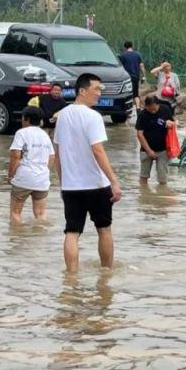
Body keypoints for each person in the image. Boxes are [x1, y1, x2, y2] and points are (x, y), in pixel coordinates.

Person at [54, 73, 122, 273]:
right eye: (96, 89)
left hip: (71, 186)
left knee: (72, 232)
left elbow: (58, 153)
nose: (99, 93)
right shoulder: (93, 116)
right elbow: (98, 150)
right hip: (96, 185)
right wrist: (114, 181)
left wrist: (62, 182)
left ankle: (71, 277)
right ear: (82, 91)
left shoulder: (62, 116)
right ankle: (107, 273)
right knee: (104, 229)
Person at [8, 106, 55, 223]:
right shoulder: (45, 135)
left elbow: (15, 155)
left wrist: (10, 175)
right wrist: (45, 171)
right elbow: (52, 156)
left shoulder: (21, 133)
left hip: (24, 177)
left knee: (15, 212)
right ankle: (38, 240)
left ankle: (16, 239)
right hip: (42, 179)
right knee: (40, 214)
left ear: (26, 119)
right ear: (40, 120)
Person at [135, 95, 175, 185]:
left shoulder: (165, 109)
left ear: (158, 105)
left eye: (154, 109)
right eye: (150, 109)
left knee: (163, 178)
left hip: (163, 150)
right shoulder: (142, 114)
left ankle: (162, 196)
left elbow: (174, 123)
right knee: (143, 176)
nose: (153, 112)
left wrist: (171, 123)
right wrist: (149, 151)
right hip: (146, 150)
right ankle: (144, 195)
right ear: (146, 106)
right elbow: (139, 134)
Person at [119, 41, 146, 110]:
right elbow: (141, 66)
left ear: (124, 47)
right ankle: (138, 107)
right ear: (132, 46)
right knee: (136, 94)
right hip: (135, 77)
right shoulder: (137, 55)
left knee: (126, 94)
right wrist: (143, 76)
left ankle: (127, 108)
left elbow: (120, 68)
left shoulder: (123, 56)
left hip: (126, 78)